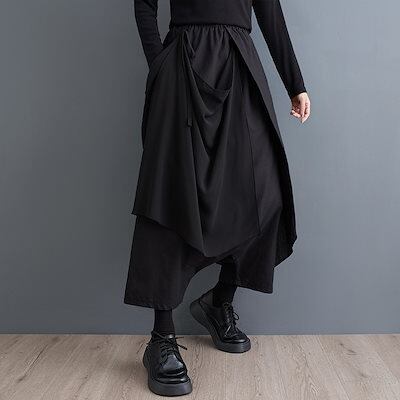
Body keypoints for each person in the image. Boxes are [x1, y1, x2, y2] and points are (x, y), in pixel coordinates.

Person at [124, 0, 311, 396]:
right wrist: (160, 66)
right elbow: (144, 5)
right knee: (170, 196)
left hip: (239, 64)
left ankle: (218, 301)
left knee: (265, 191)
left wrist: (295, 83)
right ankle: (161, 338)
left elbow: (270, 11)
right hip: (183, 65)